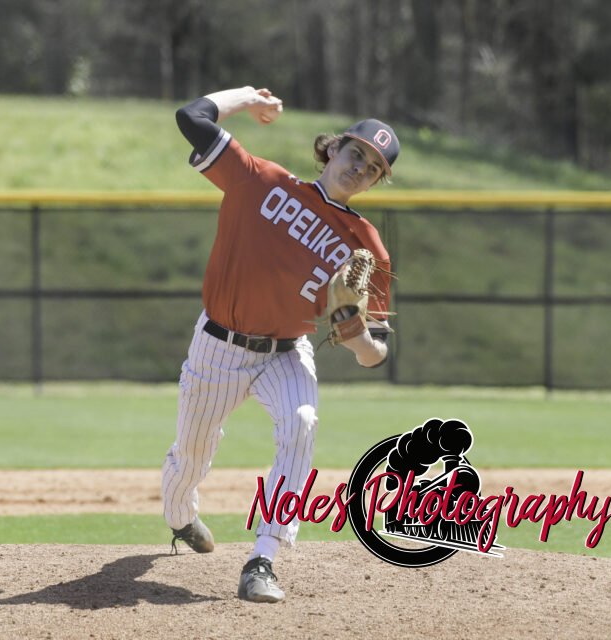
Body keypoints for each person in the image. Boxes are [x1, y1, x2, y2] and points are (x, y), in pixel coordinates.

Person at [161, 85, 399, 603]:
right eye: (356, 152)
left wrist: (357, 337)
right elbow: (191, 117)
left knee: (301, 423)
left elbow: (375, 352)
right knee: (192, 457)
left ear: (377, 181)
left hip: (288, 351)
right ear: (332, 148)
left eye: (373, 167)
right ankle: (180, 516)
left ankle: (264, 557)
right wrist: (247, 98)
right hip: (218, 347)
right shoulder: (261, 181)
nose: (359, 167)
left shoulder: (366, 245)